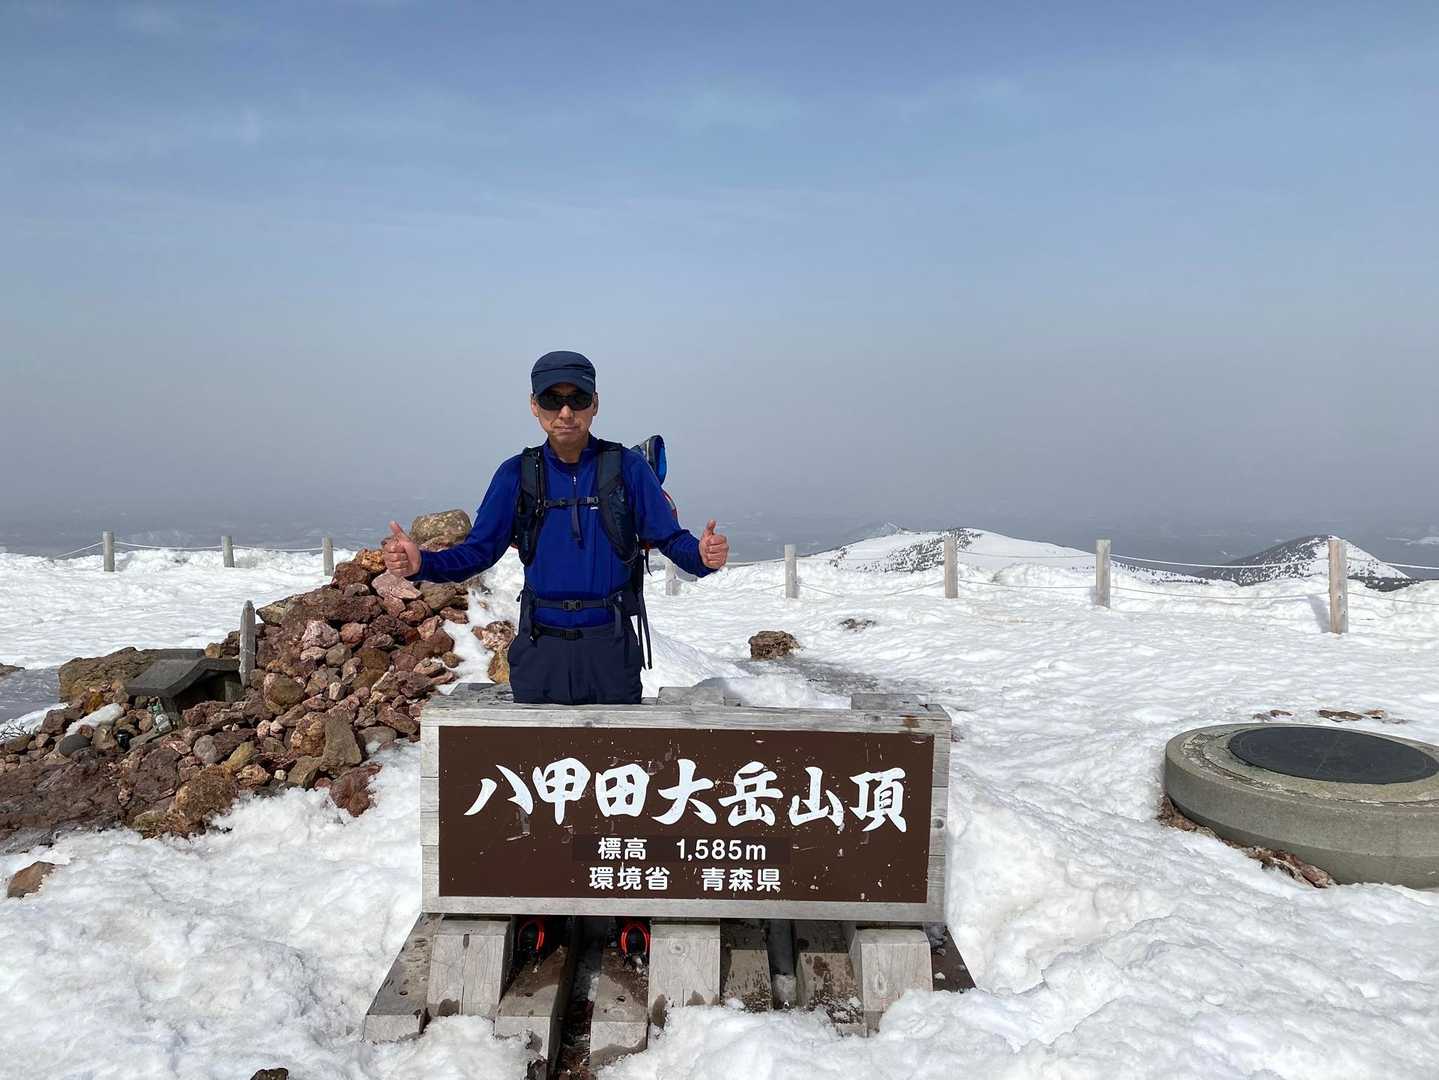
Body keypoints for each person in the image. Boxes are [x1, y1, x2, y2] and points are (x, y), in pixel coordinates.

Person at [381, 350, 729, 705]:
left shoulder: (628, 469)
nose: (565, 412)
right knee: (536, 742)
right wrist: (422, 564)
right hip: (540, 648)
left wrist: (702, 557)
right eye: (552, 400)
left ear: (595, 404)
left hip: (610, 649)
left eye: (578, 399)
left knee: (613, 742)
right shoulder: (515, 474)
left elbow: (669, 538)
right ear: (534, 405)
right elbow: (478, 552)